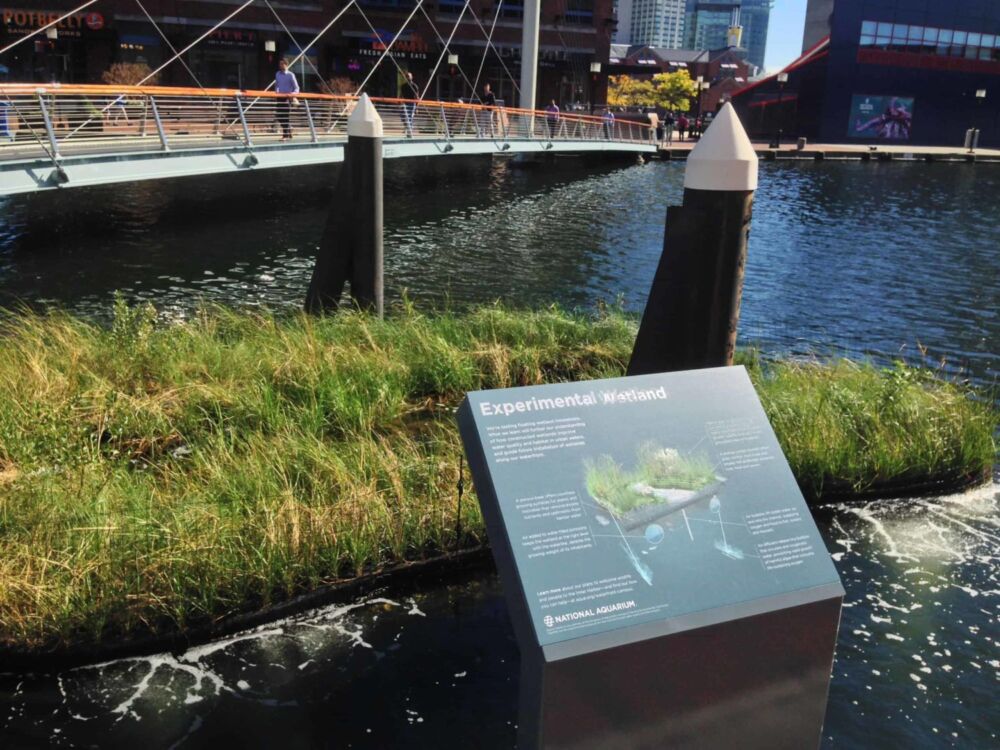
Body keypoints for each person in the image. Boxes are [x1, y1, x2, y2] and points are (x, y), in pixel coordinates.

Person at [274, 58, 299, 140]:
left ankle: (285, 135)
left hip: (287, 98)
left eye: (282, 64)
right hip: (279, 97)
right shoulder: (277, 74)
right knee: (279, 116)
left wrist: (292, 94)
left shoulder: (291, 75)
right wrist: (276, 91)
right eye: (279, 64)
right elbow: (277, 84)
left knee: (285, 116)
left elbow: (296, 88)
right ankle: (289, 128)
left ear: (286, 64)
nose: (280, 65)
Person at [400, 71, 419, 136]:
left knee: (410, 117)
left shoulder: (415, 86)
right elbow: (401, 95)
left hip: (412, 103)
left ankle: (409, 131)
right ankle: (407, 127)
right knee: (402, 116)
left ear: (412, 77)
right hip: (405, 103)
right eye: (407, 76)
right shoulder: (403, 86)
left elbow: (417, 97)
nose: (408, 77)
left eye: (409, 76)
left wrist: (416, 107)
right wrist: (399, 102)